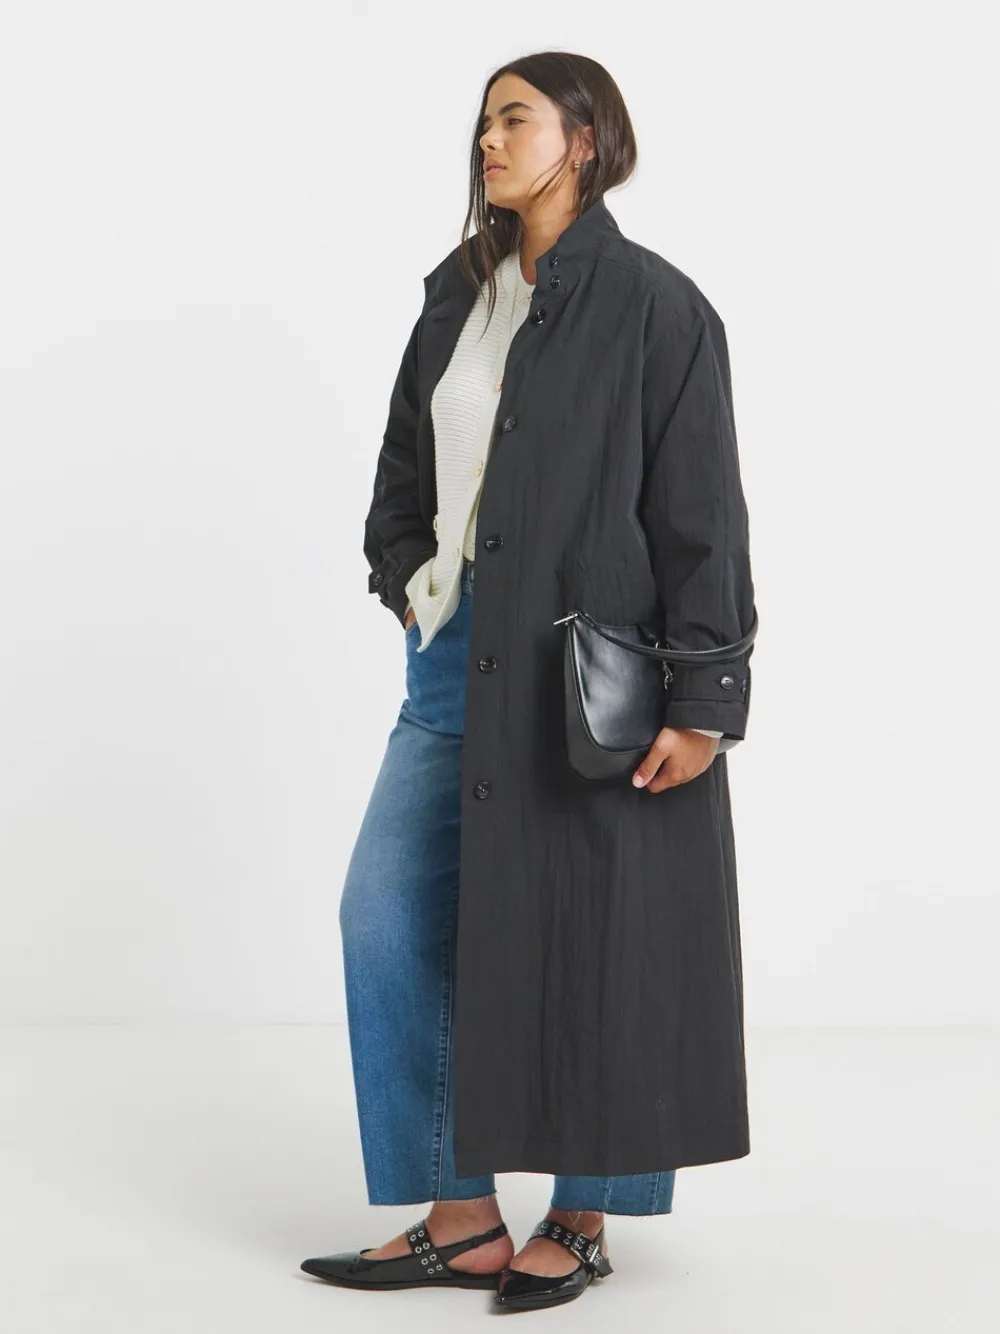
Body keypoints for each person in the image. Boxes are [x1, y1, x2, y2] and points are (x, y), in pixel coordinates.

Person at [301, 50, 756, 1314]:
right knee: (386, 915)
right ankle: (459, 1221)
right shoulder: (458, 294)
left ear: (585, 140)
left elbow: (703, 518)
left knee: (596, 934)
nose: (488, 141)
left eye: (515, 118)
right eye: (484, 122)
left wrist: (705, 698)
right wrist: (406, 574)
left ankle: (581, 1213)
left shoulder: (658, 309)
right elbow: (405, 469)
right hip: (452, 661)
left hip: (588, 673)